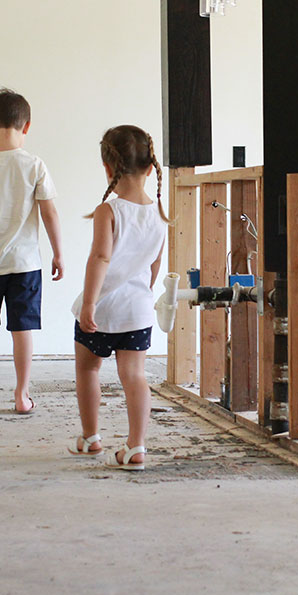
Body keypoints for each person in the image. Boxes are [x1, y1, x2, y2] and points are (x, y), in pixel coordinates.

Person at [68, 125, 167, 470]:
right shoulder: (159, 214)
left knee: (87, 368)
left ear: (108, 167)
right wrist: (144, 295)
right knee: (134, 376)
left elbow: (100, 259)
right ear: (149, 167)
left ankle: (91, 437)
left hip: (103, 308)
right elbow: (154, 266)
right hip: (137, 312)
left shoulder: (108, 211)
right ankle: (136, 446)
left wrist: (89, 304)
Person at [0, 88, 64, 413]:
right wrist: (58, 253)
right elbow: (50, 212)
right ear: (27, 126)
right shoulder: (35, 165)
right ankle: (21, 395)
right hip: (25, 263)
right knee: (23, 328)